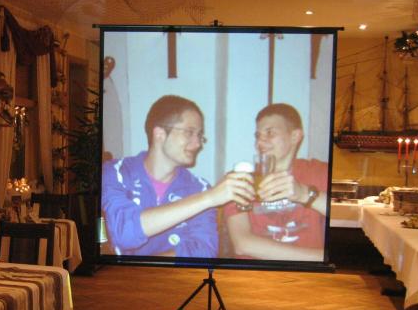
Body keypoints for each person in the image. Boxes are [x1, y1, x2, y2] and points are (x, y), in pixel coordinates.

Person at [102, 94, 254, 257]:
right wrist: (209, 198)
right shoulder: (115, 172)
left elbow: (204, 251)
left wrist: (145, 268)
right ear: (159, 134)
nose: (198, 144)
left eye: (199, 135)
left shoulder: (199, 188)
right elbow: (124, 233)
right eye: (189, 132)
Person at [224, 103, 328, 261]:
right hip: (256, 273)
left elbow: (348, 216)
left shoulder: (318, 171)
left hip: (308, 274)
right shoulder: (241, 178)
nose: (260, 142)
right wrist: (321, 259)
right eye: (257, 135)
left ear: (295, 136)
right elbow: (243, 244)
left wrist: (304, 194)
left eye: (270, 133)